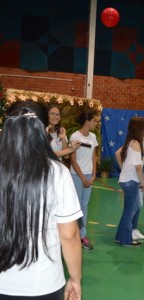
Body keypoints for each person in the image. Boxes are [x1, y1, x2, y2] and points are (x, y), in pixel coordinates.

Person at [0, 100, 82, 299]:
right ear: (45, 130)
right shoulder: (57, 173)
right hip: (42, 284)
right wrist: (75, 278)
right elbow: (69, 234)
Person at [70, 109, 99, 250]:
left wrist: (93, 175)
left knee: (84, 207)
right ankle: (72, 236)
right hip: (77, 176)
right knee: (76, 207)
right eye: (94, 121)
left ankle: (82, 236)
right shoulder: (75, 136)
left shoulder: (93, 137)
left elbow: (94, 156)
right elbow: (73, 161)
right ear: (87, 121)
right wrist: (83, 178)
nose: (96, 123)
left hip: (89, 176)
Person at [115, 116, 144, 247]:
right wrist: (142, 182)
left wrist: (124, 170)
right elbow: (138, 167)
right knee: (129, 211)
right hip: (132, 181)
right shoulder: (136, 144)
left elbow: (117, 153)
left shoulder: (130, 142)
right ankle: (126, 240)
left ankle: (119, 236)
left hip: (126, 179)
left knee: (128, 210)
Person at [132, 118, 144, 241]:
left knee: (140, 204)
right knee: (136, 203)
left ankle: (134, 228)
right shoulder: (135, 142)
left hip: (143, 171)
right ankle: (130, 228)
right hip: (135, 173)